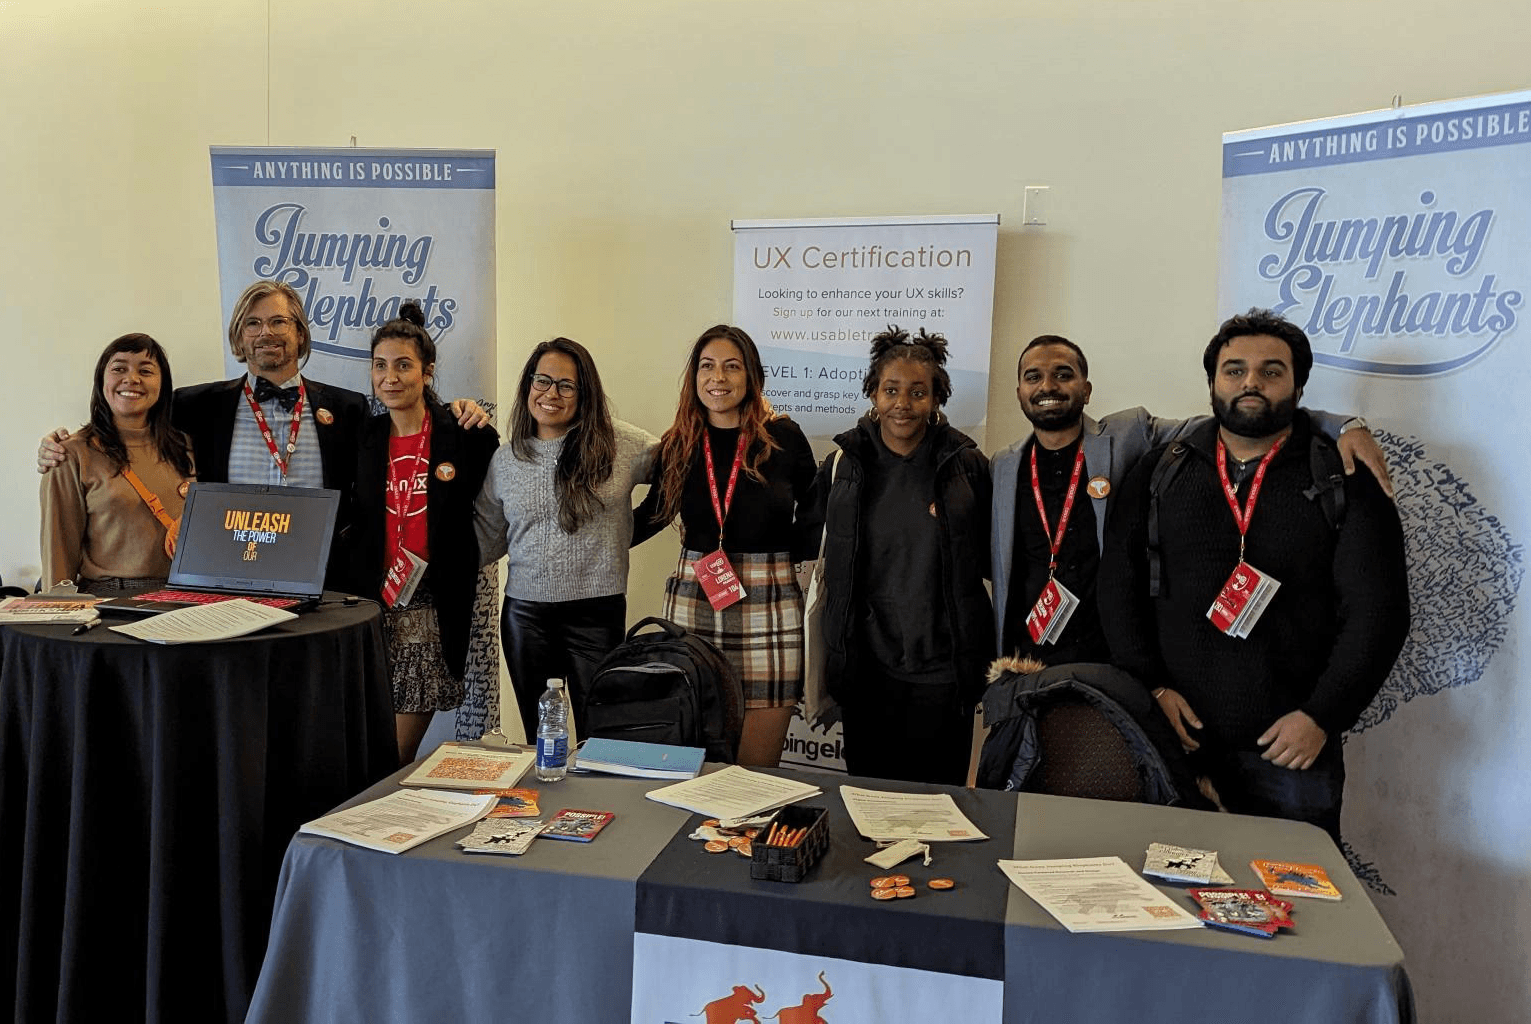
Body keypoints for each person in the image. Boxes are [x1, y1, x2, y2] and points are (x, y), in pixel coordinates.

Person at [1099, 309, 1409, 843]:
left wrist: (1322, 716)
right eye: (1234, 369)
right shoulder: (1159, 471)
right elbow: (1118, 588)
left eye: (1271, 371)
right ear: (1213, 382)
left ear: (1298, 384)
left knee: (1296, 908)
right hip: (1175, 740)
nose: (1251, 383)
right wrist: (1150, 687)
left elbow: (1378, 613)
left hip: (1290, 751)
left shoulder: (1344, 476)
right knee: (1175, 909)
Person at [37, 280, 490, 589]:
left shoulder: (348, 408)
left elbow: (407, 433)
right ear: (238, 337)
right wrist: (61, 446)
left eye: (278, 322)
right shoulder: (197, 406)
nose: (265, 333)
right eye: (252, 323)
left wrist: (456, 411)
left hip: (323, 584)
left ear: (300, 334)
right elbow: (130, 413)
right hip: (230, 584)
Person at [991, 334, 1393, 666]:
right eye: (1034, 377)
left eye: (1063, 375)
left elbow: (1240, 417)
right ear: (1019, 391)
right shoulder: (1002, 466)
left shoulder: (1130, 433)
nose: (1048, 387)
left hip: (1109, 656)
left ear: (1087, 388)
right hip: (1027, 656)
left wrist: (1344, 426)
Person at [633, 325, 820, 767]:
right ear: (694, 377)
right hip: (695, 597)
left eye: (732, 366)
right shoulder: (677, 443)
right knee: (696, 760)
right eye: (707, 366)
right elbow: (652, 516)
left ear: (751, 375)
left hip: (770, 602)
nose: (718, 377)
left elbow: (816, 518)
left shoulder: (784, 437)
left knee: (756, 768)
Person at [814, 325, 993, 785]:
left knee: (939, 806)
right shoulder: (845, 464)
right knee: (869, 801)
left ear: (937, 399)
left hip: (942, 672)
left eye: (918, 392)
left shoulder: (965, 465)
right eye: (891, 390)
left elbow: (994, 559)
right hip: (867, 671)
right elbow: (807, 543)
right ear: (873, 392)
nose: (903, 404)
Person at [474, 338, 657, 740]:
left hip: (597, 613)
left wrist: (627, 531)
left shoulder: (621, 444)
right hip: (526, 617)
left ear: (584, 392)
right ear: (527, 387)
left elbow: (681, 470)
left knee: (603, 736)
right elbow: (486, 540)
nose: (551, 394)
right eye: (542, 381)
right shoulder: (506, 459)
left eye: (566, 385)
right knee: (543, 738)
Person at [351, 302, 499, 764]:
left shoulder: (464, 433)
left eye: (403, 365)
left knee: (394, 752)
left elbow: (502, 501)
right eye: (380, 366)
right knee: (367, 744)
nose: (389, 377)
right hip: (371, 610)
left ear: (428, 371)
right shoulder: (365, 436)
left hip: (431, 610)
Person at [40, 334, 196, 593]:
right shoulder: (70, 455)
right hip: (111, 599)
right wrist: (58, 612)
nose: (132, 379)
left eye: (145, 370)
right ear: (102, 379)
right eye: (119, 369)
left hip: (183, 597)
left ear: (162, 384)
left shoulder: (185, 447)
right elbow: (58, 548)